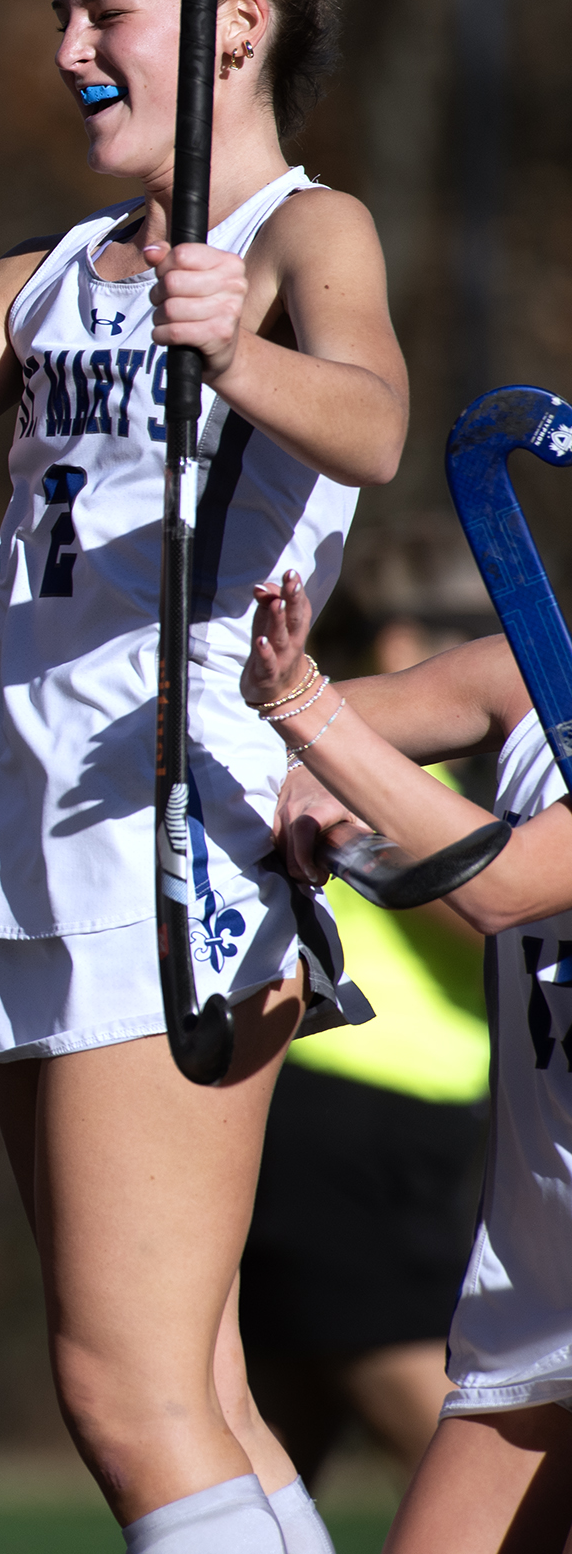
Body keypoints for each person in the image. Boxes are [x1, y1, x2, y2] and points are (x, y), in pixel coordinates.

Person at [0, 0, 406, 1552]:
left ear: (235, 26)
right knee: (190, 1384)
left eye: (102, 13)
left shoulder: (297, 235)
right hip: (29, 836)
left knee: (125, 1400)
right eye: (59, 16)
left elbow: (375, 426)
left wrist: (241, 353)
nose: (63, 52)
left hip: (168, 836)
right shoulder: (40, 273)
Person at [244, 574, 572, 1554]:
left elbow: (505, 885)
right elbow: (317, 735)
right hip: (539, 1290)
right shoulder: (536, 677)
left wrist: (311, 717)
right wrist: (317, 765)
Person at [238, 607, 488, 1494]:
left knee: (275, 1443)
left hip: (394, 1134)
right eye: (461, 626)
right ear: (397, 638)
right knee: (472, 1466)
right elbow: (483, 915)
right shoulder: (385, 774)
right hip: (349, 1124)